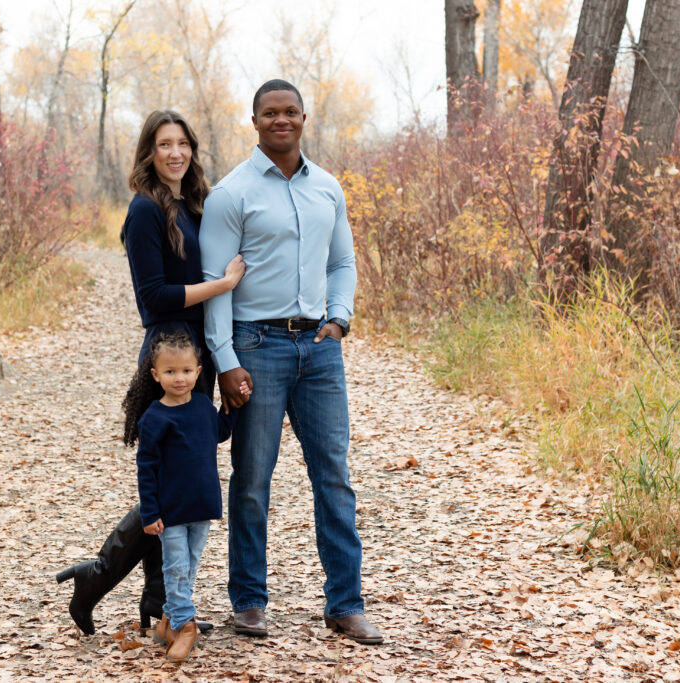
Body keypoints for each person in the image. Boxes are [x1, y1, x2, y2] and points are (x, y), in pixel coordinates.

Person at [199, 79, 383, 645]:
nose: (281, 120)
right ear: (254, 121)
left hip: (320, 351)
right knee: (252, 480)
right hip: (257, 347)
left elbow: (343, 262)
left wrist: (339, 318)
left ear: (304, 117)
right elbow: (215, 284)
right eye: (269, 113)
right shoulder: (232, 193)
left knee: (334, 477)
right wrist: (226, 359)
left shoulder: (328, 188)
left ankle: (345, 605)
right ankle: (250, 601)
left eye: (290, 112)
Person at [56, 110, 245, 635]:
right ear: (149, 152)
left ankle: (158, 608)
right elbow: (153, 298)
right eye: (164, 144)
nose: (175, 153)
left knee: (180, 483)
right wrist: (220, 288)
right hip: (165, 354)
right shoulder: (144, 210)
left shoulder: (193, 204)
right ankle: (98, 577)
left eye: (183, 143)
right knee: (165, 481)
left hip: (196, 355)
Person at [127, 332, 243, 662]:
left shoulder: (203, 408)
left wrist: (230, 406)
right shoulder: (155, 418)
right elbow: (146, 469)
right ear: (155, 375)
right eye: (170, 371)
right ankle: (184, 625)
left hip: (202, 504)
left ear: (198, 371)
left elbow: (220, 432)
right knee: (176, 568)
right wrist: (150, 513)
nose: (180, 378)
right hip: (171, 510)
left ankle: (166, 622)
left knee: (188, 568)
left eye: (187, 371)